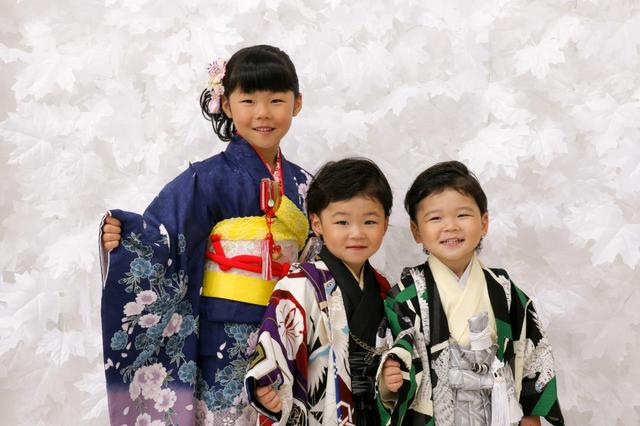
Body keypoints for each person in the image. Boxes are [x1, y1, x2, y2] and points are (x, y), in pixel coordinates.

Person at [99, 45, 312, 425]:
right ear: (226, 105)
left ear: (296, 104)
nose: (263, 112)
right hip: (225, 335)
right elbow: (163, 237)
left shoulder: (306, 185)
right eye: (249, 100)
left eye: (276, 100)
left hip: (289, 332)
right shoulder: (206, 178)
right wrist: (126, 235)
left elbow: (320, 258)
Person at [379, 161, 564, 426]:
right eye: (435, 218)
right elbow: (395, 357)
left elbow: (531, 352)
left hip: (500, 413)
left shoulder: (504, 290)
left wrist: (530, 414)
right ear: (416, 231)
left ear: (484, 223)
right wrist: (390, 377)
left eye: (462, 215)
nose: (451, 226)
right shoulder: (405, 298)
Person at [244, 158, 394, 425]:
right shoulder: (300, 282)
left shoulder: (383, 287)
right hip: (323, 409)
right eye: (342, 222)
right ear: (317, 224)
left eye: (370, 221)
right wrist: (266, 385)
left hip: (373, 411)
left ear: (385, 223)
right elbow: (276, 340)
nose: (357, 233)